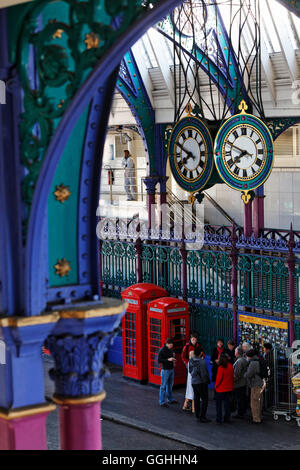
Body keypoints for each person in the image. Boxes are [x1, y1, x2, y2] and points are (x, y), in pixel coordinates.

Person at [189, 346, 211, 423]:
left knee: (196, 398)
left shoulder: (191, 360)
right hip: (201, 383)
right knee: (205, 399)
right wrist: (207, 381)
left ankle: (197, 414)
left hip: (194, 382)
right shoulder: (202, 362)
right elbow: (204, 374)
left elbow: (190, 371)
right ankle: (202, 416)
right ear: (201, 352)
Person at [181, 332, 202, 411]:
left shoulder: (198, 345)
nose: (194, 341)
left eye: (195, 340)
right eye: (192, 339)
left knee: (190, 388)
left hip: (195, 366)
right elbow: (183, 356)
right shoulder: (186, 346)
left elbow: (202, 354)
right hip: (191, 367)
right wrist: (187, 363)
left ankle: (185, 405)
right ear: (190, 339)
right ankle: (193, 408)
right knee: (192, 387)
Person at [244, 349, 266, 424]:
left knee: (254, 401)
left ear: (250, 356)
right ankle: (259, 416)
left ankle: (256, 419)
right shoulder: (260, 360)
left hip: (255, 384)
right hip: (261, 383)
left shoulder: (253, 363)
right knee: (260, 401)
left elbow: (249, 374)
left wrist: (244, 374)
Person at [157, 338, 178, 407]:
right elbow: (159, 360)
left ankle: (170, 399)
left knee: (170, 385)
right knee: (163, 386)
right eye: (170, 345)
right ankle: (162, 402)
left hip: (171, 369)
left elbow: (171, 357)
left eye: (172, 345)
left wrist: (173, 360)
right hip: (165, 370)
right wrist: (168, 359)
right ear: (167, 344)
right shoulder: (162, 350)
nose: (171, 346)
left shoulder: (171, 350)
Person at [215, 354, 234, 424]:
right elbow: (232, 377)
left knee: (219, 405)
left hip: (221, 389)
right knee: (227, 405)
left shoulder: (221, 367)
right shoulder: (230, 366)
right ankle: (227, 418)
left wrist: (216, 387)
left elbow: (219, 379)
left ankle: (219, 419)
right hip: (229, 388)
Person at [233, 346, 248, 419]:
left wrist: (233, 380)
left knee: (239, 398)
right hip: (243, 382)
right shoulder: (244, 360)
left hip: (239, 383)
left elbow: (237, 374)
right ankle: (242, 411)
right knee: (242, 398)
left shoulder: (239, 361)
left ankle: (240, 413)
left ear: (237, 353)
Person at [263, 342, 274, 409]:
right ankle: (267, 404)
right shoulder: (268, 354)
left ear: (267, 349)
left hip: (269, 375)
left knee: (268, 390)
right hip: (268, 374)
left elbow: (268, 365)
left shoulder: (269, 355)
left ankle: (267, 404)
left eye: (264, 348)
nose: (263, 349)